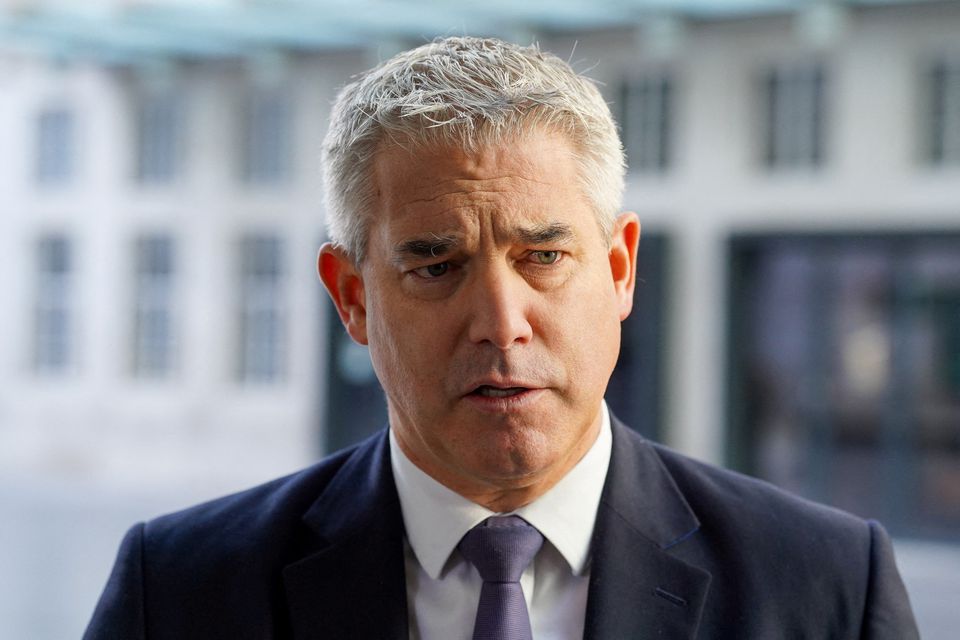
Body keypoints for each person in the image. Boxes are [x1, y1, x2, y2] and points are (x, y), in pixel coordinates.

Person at [84, 37, 918, 639]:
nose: (500, 324)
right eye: (436, 266)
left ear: (621, 269)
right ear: (352, 298)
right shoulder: (183, 592)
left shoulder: (829, 588)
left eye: (545, 256)